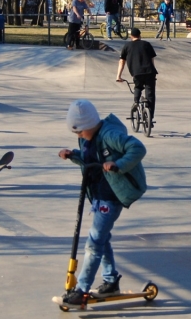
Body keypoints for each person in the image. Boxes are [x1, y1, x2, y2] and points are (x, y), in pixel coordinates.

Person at [56, 99, 148, 305]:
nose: (79, 136)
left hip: (112, 196)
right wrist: (73, 155)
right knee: (102, 238)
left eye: (79, 132)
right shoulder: (87, 138)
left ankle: (82, 288)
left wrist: (118, 164)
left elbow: (137, 148)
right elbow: (92, 159)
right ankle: (110, 280)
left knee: (94, 241)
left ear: (89, 125)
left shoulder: (110, 135)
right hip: (98, 194)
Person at [116, 27, 158, 125]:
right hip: (150, 72)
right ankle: (150, 118)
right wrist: (152, 71)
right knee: (150, 94)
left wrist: (118, 76)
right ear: (140, 35)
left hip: (137, 73)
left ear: (131, 36)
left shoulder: (127, 46)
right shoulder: (147, 44)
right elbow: (152, 60)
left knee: (138, 87)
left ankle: (136, 102)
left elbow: (122, 61)